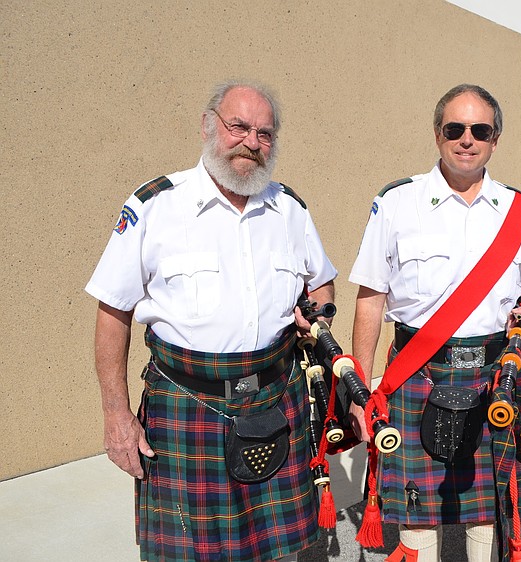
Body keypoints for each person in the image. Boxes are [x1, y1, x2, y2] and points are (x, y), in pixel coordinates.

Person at [85, 81, 337, 562]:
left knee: (275, 552)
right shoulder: (156, 204)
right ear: (208, 126)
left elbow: (321, 283)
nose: (251, 142)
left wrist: (318, 315)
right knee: (188, 553)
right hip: (185, 405)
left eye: (265, 133)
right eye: (238, 126)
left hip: (275, 398)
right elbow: (113, 311)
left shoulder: (290, 210)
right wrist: (116, 415)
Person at [349, 84, 521, 562]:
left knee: (488, 515)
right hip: (416, 373)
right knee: (418, 515)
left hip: (492, 378)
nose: (467, 139)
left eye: (480, 130)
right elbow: (370, 298)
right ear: (438, 134)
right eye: (455, 129)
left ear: (495, 139)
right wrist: (361, 390)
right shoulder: (398, 202)